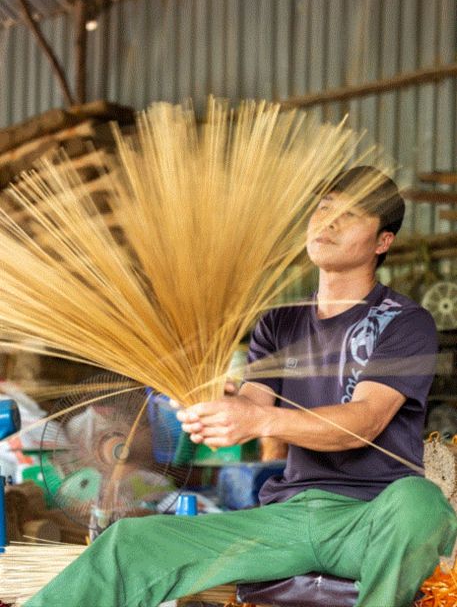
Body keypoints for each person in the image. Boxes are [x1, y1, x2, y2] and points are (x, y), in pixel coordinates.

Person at [25, 166, 457, 607]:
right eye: (324, 206)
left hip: (370, 517)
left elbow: (364, 421)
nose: (328, 221)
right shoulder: (279, 323)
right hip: (287, 518)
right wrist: (212, 408)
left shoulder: (406, 322)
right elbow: (250, 405)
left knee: (420, 504)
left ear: (383, 241)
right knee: (130, 542)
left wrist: (257, 417)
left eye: (350, 214)